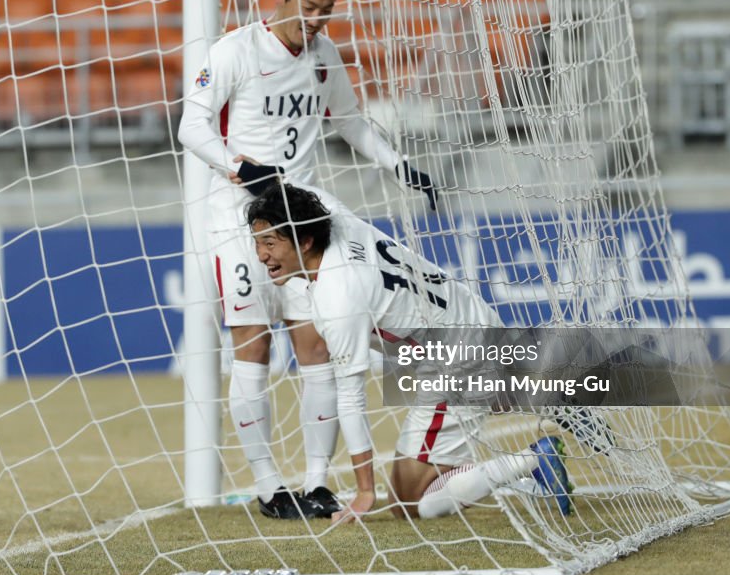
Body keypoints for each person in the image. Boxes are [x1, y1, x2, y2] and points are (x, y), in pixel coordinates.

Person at [178, 0, 436, 519]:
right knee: (252, 344)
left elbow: (347, 121)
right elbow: (190, 124)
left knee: (315, 345)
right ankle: (270, 488)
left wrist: (397, 165)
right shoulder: (235, 51)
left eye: (326, 11)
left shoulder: (323, 57)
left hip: (303, 221)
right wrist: (236, 166)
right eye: (308, 7)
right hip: (238, 220)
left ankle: (318, 483)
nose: (316, 20)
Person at [245, 183, 577, 523]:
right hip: (471, 318)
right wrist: (247, 171)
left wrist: (364, 491)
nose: (261, 256)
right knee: (474, 410)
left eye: (270, 243)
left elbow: (351, 399)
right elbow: (301, 189)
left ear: (305, 241)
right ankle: (548, 393)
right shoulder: (335, 217)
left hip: (455, 361)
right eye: (257, 243)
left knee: (410, 503)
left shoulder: (338, 299)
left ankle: (532, 460)